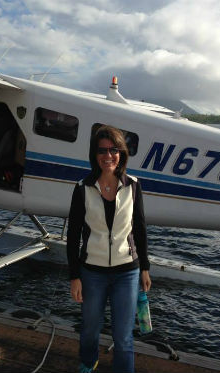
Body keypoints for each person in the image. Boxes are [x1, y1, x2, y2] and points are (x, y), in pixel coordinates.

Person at [66, 125, 151, 373]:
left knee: (123, 336)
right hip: (92, 272)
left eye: (114, 150)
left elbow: (141, 229)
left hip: (127, 272)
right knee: (90, 329)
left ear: (121, 153)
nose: (108, 155)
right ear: (94, 154)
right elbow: (72, 236)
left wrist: (145, 268)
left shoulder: (134, 186)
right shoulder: (82, 188)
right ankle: (88, 361)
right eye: (102, 150)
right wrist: (74, 276)